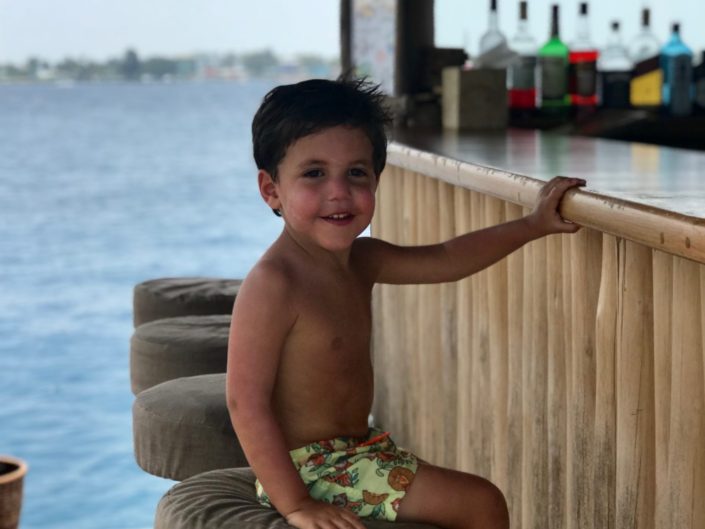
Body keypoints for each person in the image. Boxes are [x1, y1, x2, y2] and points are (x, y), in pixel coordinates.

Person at [226, 77, 586, 529]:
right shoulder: (274, 283)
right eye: (314, 173)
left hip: (360, 450)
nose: (338, 191)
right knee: (481, 503)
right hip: (310, 470)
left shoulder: (363, 259)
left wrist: (532, 225)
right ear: (271, 189)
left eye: (356, 173)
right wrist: (297, 504)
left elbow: (447, 259)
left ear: (377, 180)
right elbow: (244, 402)